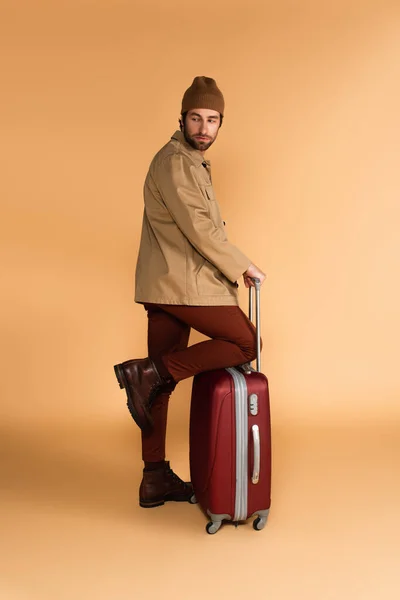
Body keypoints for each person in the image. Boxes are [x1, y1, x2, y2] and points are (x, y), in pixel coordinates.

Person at [114, 76, 266, 509]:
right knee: (245, 342)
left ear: (221, 124)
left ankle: (153, 478)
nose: (204, 127)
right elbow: (199, 228)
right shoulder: (176, 162)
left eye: (212, 119)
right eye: (196, 118)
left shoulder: (188, 161)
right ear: (181, 119)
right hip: (183, 285)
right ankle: (148, 374)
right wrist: (242, 264)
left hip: (165, 285)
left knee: (158, 389)